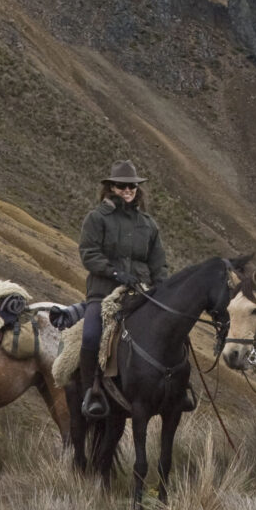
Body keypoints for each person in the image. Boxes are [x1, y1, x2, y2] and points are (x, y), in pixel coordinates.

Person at [76, 160, 170, 419]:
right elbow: (88, 254)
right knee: (92, 335)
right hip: (104, 292)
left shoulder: (148, 224)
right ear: (111, 187)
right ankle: (91, 392)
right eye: (122, 185)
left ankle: (177, 389)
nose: (128, 190)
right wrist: (116, 273)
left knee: (170, 330)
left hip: (142, 292)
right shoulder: (96, 218)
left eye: (132, 186)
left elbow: (158, 261)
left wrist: (160, 286)